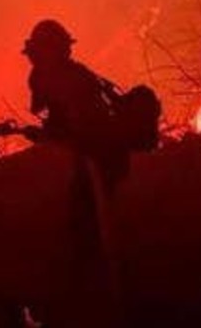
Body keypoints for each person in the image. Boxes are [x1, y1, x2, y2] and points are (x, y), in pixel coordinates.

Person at [22, 19, 128, 326]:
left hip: (99, 157)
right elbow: (58, 120)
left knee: (89, 225)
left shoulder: (65, 78)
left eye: (35, 51)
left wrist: (47, 136)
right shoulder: (63, 75)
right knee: (84, 221)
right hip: (94, 155)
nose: (31, 58)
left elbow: (81, 127)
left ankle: (102, 299)